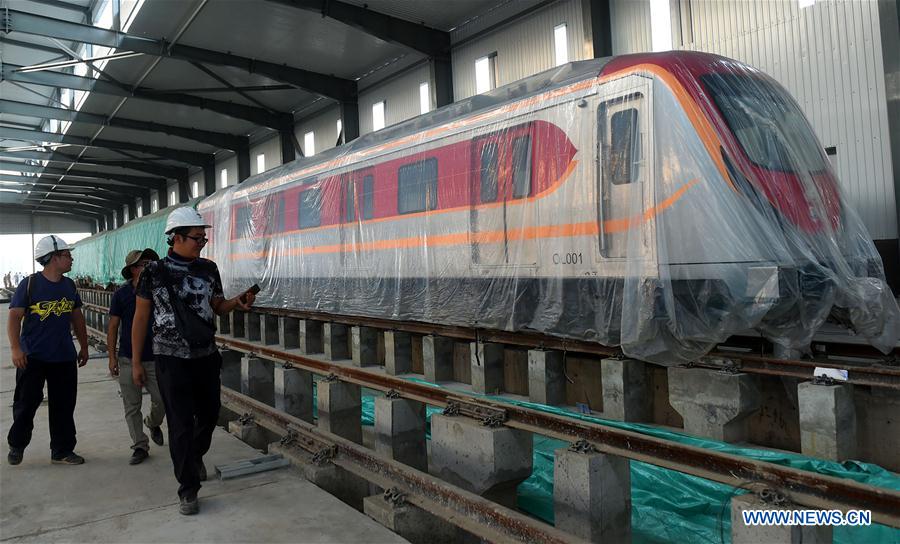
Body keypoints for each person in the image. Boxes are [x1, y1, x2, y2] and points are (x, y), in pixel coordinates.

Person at [132, 207, 255, 515]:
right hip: (170, 360)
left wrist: (236, 303)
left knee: (210, 413)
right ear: (175, 238)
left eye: (204, 237)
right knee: (181, 423)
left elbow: (217, 305)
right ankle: (188, 488)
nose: (202, 242)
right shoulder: (153, 272)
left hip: (205, 355)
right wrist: (136, 361)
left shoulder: (209, 269)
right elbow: (141, 318)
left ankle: (194, 455)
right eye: (196, 237)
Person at [7, 235, 89, 466]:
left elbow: (77, 317)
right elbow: (14, 318)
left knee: (64, 405)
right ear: (53, 258)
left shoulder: (69, 285)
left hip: (63, 356)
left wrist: (83, 346)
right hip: (33, 356)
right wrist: (16, 349)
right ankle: (17, 444)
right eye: (67, 255)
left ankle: (62, 450)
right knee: (26, 403)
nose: (71, 258)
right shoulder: (30, 284)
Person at [108, 248, 166, 465]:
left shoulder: (160, 293)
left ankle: (152, 422)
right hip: (127, 358)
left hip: (155, 357)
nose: (150, 267)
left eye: (152, 263)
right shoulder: (121, 295)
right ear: (133, 269)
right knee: (132, 406)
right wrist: (112, 357)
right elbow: (113, 326)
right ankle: (140, 446)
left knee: (162, 399)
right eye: (144, 264)